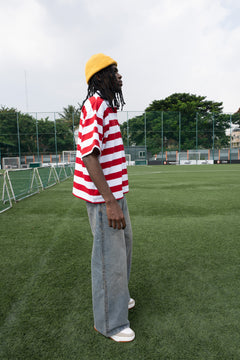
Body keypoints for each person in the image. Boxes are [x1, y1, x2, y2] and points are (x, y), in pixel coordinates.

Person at [72, 53, 135, 342]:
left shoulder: (107, 106)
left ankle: (118, 298)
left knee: (122, 250)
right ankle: (110, 323)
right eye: (114, 71)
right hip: (102, 200)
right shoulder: (95, 105)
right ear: (100, 77)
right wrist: (110, 202)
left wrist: (116, 198)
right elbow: (89, 156)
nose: (119, 76)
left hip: (114, 195)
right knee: (108, 260)